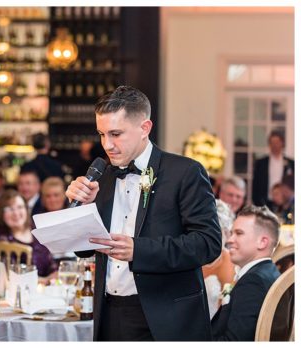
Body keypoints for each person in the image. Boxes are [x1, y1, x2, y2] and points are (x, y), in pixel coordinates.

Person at [65, 86, 221, 341]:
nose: (108, 145)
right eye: (102, 134)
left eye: (116, 134)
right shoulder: (102, 175)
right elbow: (83, 250)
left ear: (145, 128)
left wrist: (140, 250)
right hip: (109, 313)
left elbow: (208, 244)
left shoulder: (185, 172)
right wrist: (82, 209)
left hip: (166, 316)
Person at [211, 205, 282, 341]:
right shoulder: (269, 272)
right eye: (231, 233)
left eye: (239, 233)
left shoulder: (253, 281)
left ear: (262, 242)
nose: (230, 240)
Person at [0, 190, 56, 278]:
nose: (16, 213)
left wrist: (54, 276)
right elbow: (11, 276)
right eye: (10, 209)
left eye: (20, 207)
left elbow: (51, 264)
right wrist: (44, 281)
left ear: (26, 209)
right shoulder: (1, 237)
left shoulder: (36, 230)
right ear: (2, 214)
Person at [202, 200, 236, 318]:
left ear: (226, 234)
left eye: (217, 232)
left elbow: (226, 300)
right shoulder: (193, 257)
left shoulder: (229, 262)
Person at [251, 130, 294, 208]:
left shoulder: (291, 163)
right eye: (272, 142)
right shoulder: (261, 163)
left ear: (282, 143)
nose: (275, 145)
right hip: (265, 202)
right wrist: (257, 202)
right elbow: (255, 184)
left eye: (277, 142)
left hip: (285, 204)